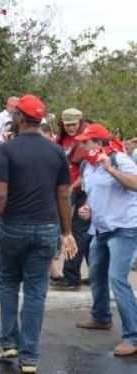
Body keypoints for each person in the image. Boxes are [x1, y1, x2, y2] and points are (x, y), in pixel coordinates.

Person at [0, 94, 77, 373]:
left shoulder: (8, 150)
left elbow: (0, 194)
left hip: (14, 228)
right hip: (47, 229)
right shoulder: (56, 151)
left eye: (15, 113)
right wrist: (67, 232)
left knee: (9, 284)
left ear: (21, 117)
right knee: (36, 293)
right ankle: (29, 357)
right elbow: (63, 196)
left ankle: (8, 343)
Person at [72, 124, 137, 357]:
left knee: (117, 279)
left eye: (85, 142)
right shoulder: (86, 165)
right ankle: (101, 317)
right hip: (99, 229)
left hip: (124, 228)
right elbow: (92, 194)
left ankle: (133, 336)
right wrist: (86, 208)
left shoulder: (120, 159)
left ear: (99, 144)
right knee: (97, 274)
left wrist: (111, 170)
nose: (81, 146)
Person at [50, 108, 92, 291]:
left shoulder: (88, 137)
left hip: (83, 191)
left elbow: (90, 171)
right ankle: (98, 275)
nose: (70, 128)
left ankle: (71, 278)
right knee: (86, 235)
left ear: (80, 121)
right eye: (67, 125)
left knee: (76, 233)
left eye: (74, 124)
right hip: (66, 189)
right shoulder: (61, 138)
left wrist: (71, 187)